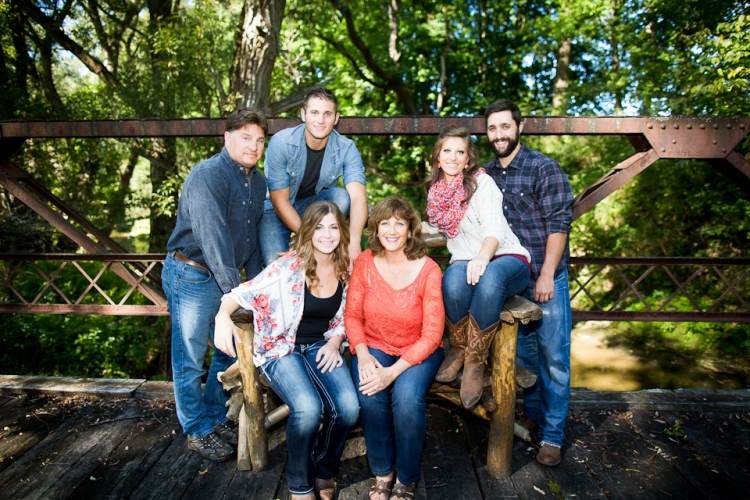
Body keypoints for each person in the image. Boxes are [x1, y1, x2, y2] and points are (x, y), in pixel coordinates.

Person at [214, 201, 359, 500]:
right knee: (307, 409)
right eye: (319, 227)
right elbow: (240, 294)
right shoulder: (287, 267)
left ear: (342, 233)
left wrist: (335, 341)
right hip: (281, 349)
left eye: (333, 227)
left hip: (322, 345)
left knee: (348, 409)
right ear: (307, 231)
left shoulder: (345, 269)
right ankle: (299, 483)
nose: (327, 234)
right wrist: (220, 316)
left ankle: (324, 467)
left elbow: (346, 315)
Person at [162, 108, 268, 462]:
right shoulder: (208, 174)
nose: (253, 146)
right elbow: (213, 238)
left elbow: (251, 240)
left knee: (225, 352)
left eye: (259, 140)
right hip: (192, 273)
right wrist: (234, 292)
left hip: (226, 278)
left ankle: (211, 417)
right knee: (189, 356)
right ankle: (195, 429)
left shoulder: (259, 181)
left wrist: (254, 289)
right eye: (245, 137)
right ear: (227, 137)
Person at [484, 100, 574, 467]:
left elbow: (559, 224)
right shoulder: (485, 175)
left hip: (546, 276)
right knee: (523, 357)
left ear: (520, 127)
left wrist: (548, 274)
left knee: (554, 359)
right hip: (512, 281)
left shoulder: (543, 168)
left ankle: (553, 436)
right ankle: (533, 414)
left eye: (505, 127)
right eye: (492, 128)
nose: (499, 135)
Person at [423, 125, 531, 409]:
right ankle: (458, 349)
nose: (453, 156)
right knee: (452, 280)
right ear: (438, 158)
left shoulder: (482, 184)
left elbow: (494, 226)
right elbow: (433, 226)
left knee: (489, 276)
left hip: (506, 258)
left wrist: (483, 256)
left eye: (460, 152)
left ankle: (474, 361)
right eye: (447, 150)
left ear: (468, 161)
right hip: (467, 261)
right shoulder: (437, 195)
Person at [345, 196, 445, 500]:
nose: (391, 230)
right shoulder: (364, 261)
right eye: (385, 223)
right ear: (375, 230)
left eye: (399, 223)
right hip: (373, 343)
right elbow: (352, 315)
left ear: (410, 229)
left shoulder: (429, 270)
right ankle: (383, 471)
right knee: (370, 390)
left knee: (407, 397)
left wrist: (394, 372)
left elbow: (432, 334)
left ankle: (407, 476)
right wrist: (362, 355)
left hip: (418, 350)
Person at [259, 88, 368, 267]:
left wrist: (354, 241)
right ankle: (303, 244)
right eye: (314, 113)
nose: (320, 120)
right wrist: (309, 237)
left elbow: (358, 197)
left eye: (327, 114)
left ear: (336, 118)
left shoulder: (346, 147)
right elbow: (280, 202)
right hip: (276, 209)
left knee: (341, 197)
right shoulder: (282, 143)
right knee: (276, 265)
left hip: (312, 209)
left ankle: (310, 248)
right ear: (303, 115)